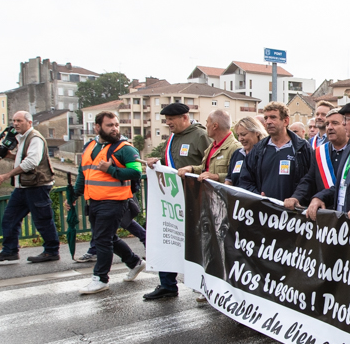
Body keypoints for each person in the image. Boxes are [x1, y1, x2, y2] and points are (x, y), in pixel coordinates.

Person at [71, 111, 147, 294]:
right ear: (97, 127)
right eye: (109, 125)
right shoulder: (89, 147)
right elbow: (83, 174)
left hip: (114, 201)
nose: (114, 129)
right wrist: (74, 196)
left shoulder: (125, 148)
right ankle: (135, 262)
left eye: (116, 125)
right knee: (106, 238)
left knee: (102, 240)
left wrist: (111, 170)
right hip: (94, 200)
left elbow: (136, 172)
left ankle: (100, 278)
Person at [138, 103, 208, 300]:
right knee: (166, 238)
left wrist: (193, 171)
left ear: (184, 117)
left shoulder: (200, 136)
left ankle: (203, 283)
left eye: (171, 119)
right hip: (172, 200)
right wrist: (155, 163)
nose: (168, 123)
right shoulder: (172, 139)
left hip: (193, 199)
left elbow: (208, 165)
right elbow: (169, 163)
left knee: (195, 243)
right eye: (166, 119)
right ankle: (167, 284)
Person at [0, 110, 61, 263]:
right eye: (14, 121)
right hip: (23, 187)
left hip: (37, 186)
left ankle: (52, 251)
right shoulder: (23, 138)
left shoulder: (35, 138)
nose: (15, 124)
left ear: (29, 123)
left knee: (43, 220)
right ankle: (10, 251)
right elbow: (25, 158)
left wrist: (8, 175)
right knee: (9, 218)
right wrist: (11, 156)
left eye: (19, 121)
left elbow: (31, 162)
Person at [239, 102, 312, 200]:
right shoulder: (258, 150)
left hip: (294, 212)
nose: (268, 122)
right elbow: (245, 180)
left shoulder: (302, 148)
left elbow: (311, 178)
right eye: (266, 118)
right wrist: (257, 197)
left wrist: (297, 198)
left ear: (286, 121)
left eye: (273, 117)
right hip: (265, 212)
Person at [286, 107, 348, 208]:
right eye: (327, 124)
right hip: (325, 212)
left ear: (346, 126)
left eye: (335, 123)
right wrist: (296, 197)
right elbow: (309, 179)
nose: (330, 127)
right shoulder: (320, 152)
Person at [178, 109, 241, 182]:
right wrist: (191, 168)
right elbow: (206, 168)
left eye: (207, 122)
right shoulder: (212, 146)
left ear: (215, 126)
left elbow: (238, 176)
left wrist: (216, 177)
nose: (206, 125)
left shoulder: (236, 148)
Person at [226, 116, 266, 186]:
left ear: (257, 132)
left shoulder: (265, 154)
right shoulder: (237, 154)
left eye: (243, 134)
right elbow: (229, 180)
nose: (240, 139)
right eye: (238, 135)